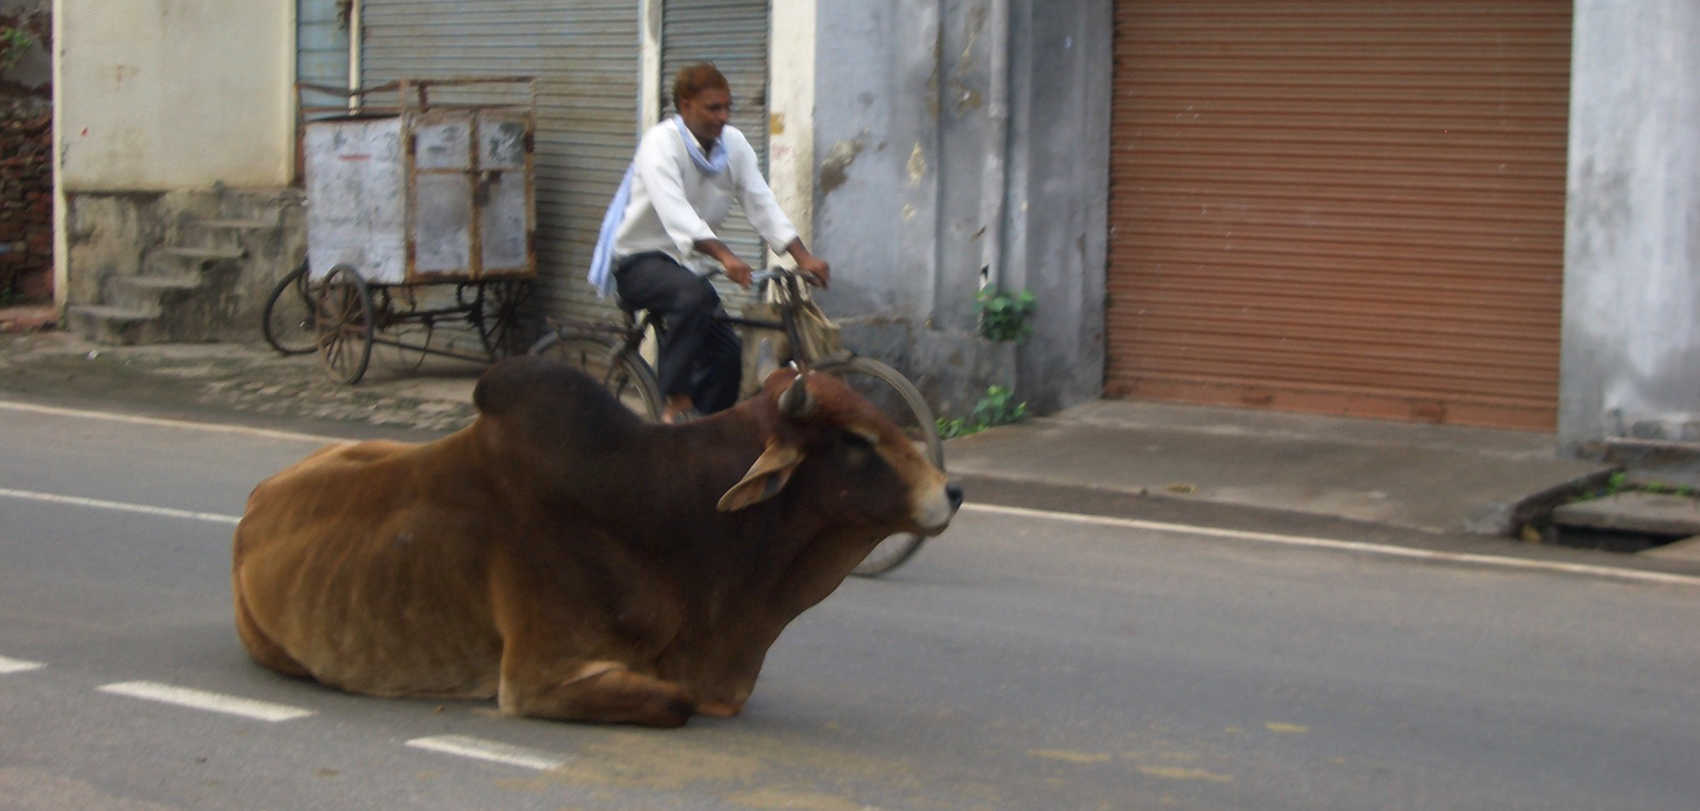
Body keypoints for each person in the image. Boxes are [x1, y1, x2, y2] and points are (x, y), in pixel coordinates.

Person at [587, 63, 831, 424]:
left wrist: (802, 256)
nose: (723, 117)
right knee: (692, 297)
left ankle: (703, 436)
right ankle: (675, 400)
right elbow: (676, 212)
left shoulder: (733, 144)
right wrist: (725, 255)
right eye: (713, 108)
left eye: (727, 107)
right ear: (686, 106)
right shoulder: (660, 144)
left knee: (729, 358)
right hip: (639, 260)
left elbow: (760, 200)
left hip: (687, 265)